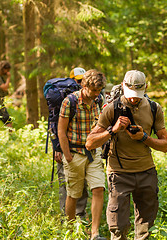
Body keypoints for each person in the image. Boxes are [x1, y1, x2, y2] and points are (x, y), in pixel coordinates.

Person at [86, 70, 167, 239]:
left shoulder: (154, 108)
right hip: (119, 174)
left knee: (146, 228)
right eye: (130, 94)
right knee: (118, 228)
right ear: (123, 86)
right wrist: (112, 130)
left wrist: (144, 137)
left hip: (146, 172)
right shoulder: (111, 108)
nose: (133, 99)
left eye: (137, 94)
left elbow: (165, 146)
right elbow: (90, 143)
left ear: (146, 88)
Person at [58, 69, 107, 240]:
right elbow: (61, 131)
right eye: (93, 90)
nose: (96, 94)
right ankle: (71, 232)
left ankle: (95, 233)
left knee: (99, 189)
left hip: (94, 152)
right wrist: (67, 156)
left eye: (99, 90)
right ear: (84, 86)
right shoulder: (69, 102)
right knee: (73, 194)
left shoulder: (99, 100)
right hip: (74, 153)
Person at [55, 67, 89, 221]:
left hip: (83, 149)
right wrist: (59, 148)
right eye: (78, 80)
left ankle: (80, 217)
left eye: (83, 80)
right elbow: (56, 124)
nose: (81, 83)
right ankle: (66, 219)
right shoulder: (66, 98)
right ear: (71, 80)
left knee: (82, 183)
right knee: (67, 184)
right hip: (65, 148)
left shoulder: (89, 97)